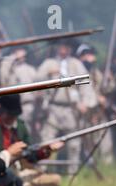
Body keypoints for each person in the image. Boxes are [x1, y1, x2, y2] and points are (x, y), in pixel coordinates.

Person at [0, 94, 63, 186]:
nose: (11, 118)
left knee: (55, 180)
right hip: (0, 178)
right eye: (8, 113)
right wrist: (10, 153)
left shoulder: (20, 126)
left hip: (19, 174)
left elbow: (31, 154)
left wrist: (47, 150)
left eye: (13, 114)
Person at [36, 38, 97, 174]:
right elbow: (36, 80)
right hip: (53, 108)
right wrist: (48, 73)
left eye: (66, 46)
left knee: (74, 144)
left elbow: (86, 85)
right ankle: (43, 172)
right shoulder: (49, 63)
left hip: (71, 109)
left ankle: (72, 173)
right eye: (62, 46)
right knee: (47, 141)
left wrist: (86, 103)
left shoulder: (76, 64)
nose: (63, 49)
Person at [76, 44, 113, 164]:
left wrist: (109, 80)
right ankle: (90, 165)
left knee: (104, 140)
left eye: (91, 54)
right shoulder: (76, 72)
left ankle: (107, 165)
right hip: (83, 112)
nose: (90, 57)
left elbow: (106, 89)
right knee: (87, 142)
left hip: (98, 111)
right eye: (87, 54)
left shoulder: (96, 72)